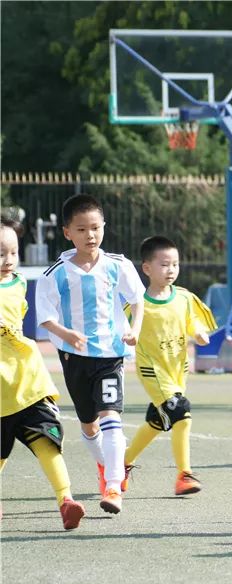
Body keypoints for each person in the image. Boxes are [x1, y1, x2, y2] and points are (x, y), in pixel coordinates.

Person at [36, 194, 145, 514]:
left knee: (111, 416)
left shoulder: (118, 265)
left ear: (104, 227)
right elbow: (45, 317)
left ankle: (113, 486)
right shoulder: (55, 273)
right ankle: (105, 464)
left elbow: (137, 300)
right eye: (82, 229)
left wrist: (134, 330)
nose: (91, 235)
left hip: (110, 354)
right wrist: (65, 334)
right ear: (68, 232)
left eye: (96, 228)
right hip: (73, 357)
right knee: (88, 426)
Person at [0, 215, 86, 530]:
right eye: (0, 253)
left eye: (13, 252)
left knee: (47, 442)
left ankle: (66, 501)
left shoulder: (19, 283)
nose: (8, 260)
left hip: (29, 382)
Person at [122, 236, 218, 496]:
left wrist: (198, 334)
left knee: (158, 421)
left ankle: (121, 464)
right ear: (147, 269)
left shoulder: (184, 298)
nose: (171, 270)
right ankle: (184, 475)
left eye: (175, 264)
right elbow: (119, 326)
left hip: (178, 371)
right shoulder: (138, 303)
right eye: (165, 264)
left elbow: (193, 323)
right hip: (152, 370)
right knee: (181, 414)